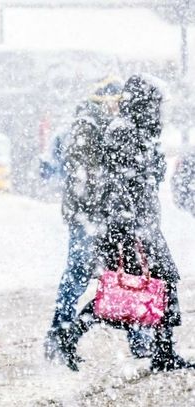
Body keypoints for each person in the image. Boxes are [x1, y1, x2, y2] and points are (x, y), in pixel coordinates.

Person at [56, 75, 195, 372]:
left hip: (140, 225)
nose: (160, 112)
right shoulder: (124, 133)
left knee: (157, 285)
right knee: (126, 292)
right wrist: (128, 229)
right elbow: (118, 186)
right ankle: (71, 336)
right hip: (129, 229)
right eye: (156, 105)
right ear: (143, 105)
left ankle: (163, 351)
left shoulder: (138, 132)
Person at [44, 76, 153, 363]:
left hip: (103, 216)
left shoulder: (105, 126)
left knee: (126, 274)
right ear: (105, 101)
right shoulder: (88, 126)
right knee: (79, 275)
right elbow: (85, 176)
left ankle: (139, 338)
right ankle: (59, 335)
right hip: (89, 217)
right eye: (116, 102)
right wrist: (106, 198)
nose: (120, 108)